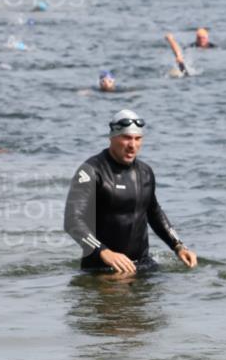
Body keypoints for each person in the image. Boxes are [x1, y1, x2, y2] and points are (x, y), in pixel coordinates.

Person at [64, 109, 197, 274]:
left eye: (137, 138)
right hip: (102, 269)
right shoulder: (91, 171)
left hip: (142, 266)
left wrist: (178, 246)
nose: (132, 145)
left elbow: (154, 213)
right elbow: (72, 221)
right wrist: (103, 251)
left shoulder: (145, 172)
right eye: (126, 138)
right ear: (112, 137)